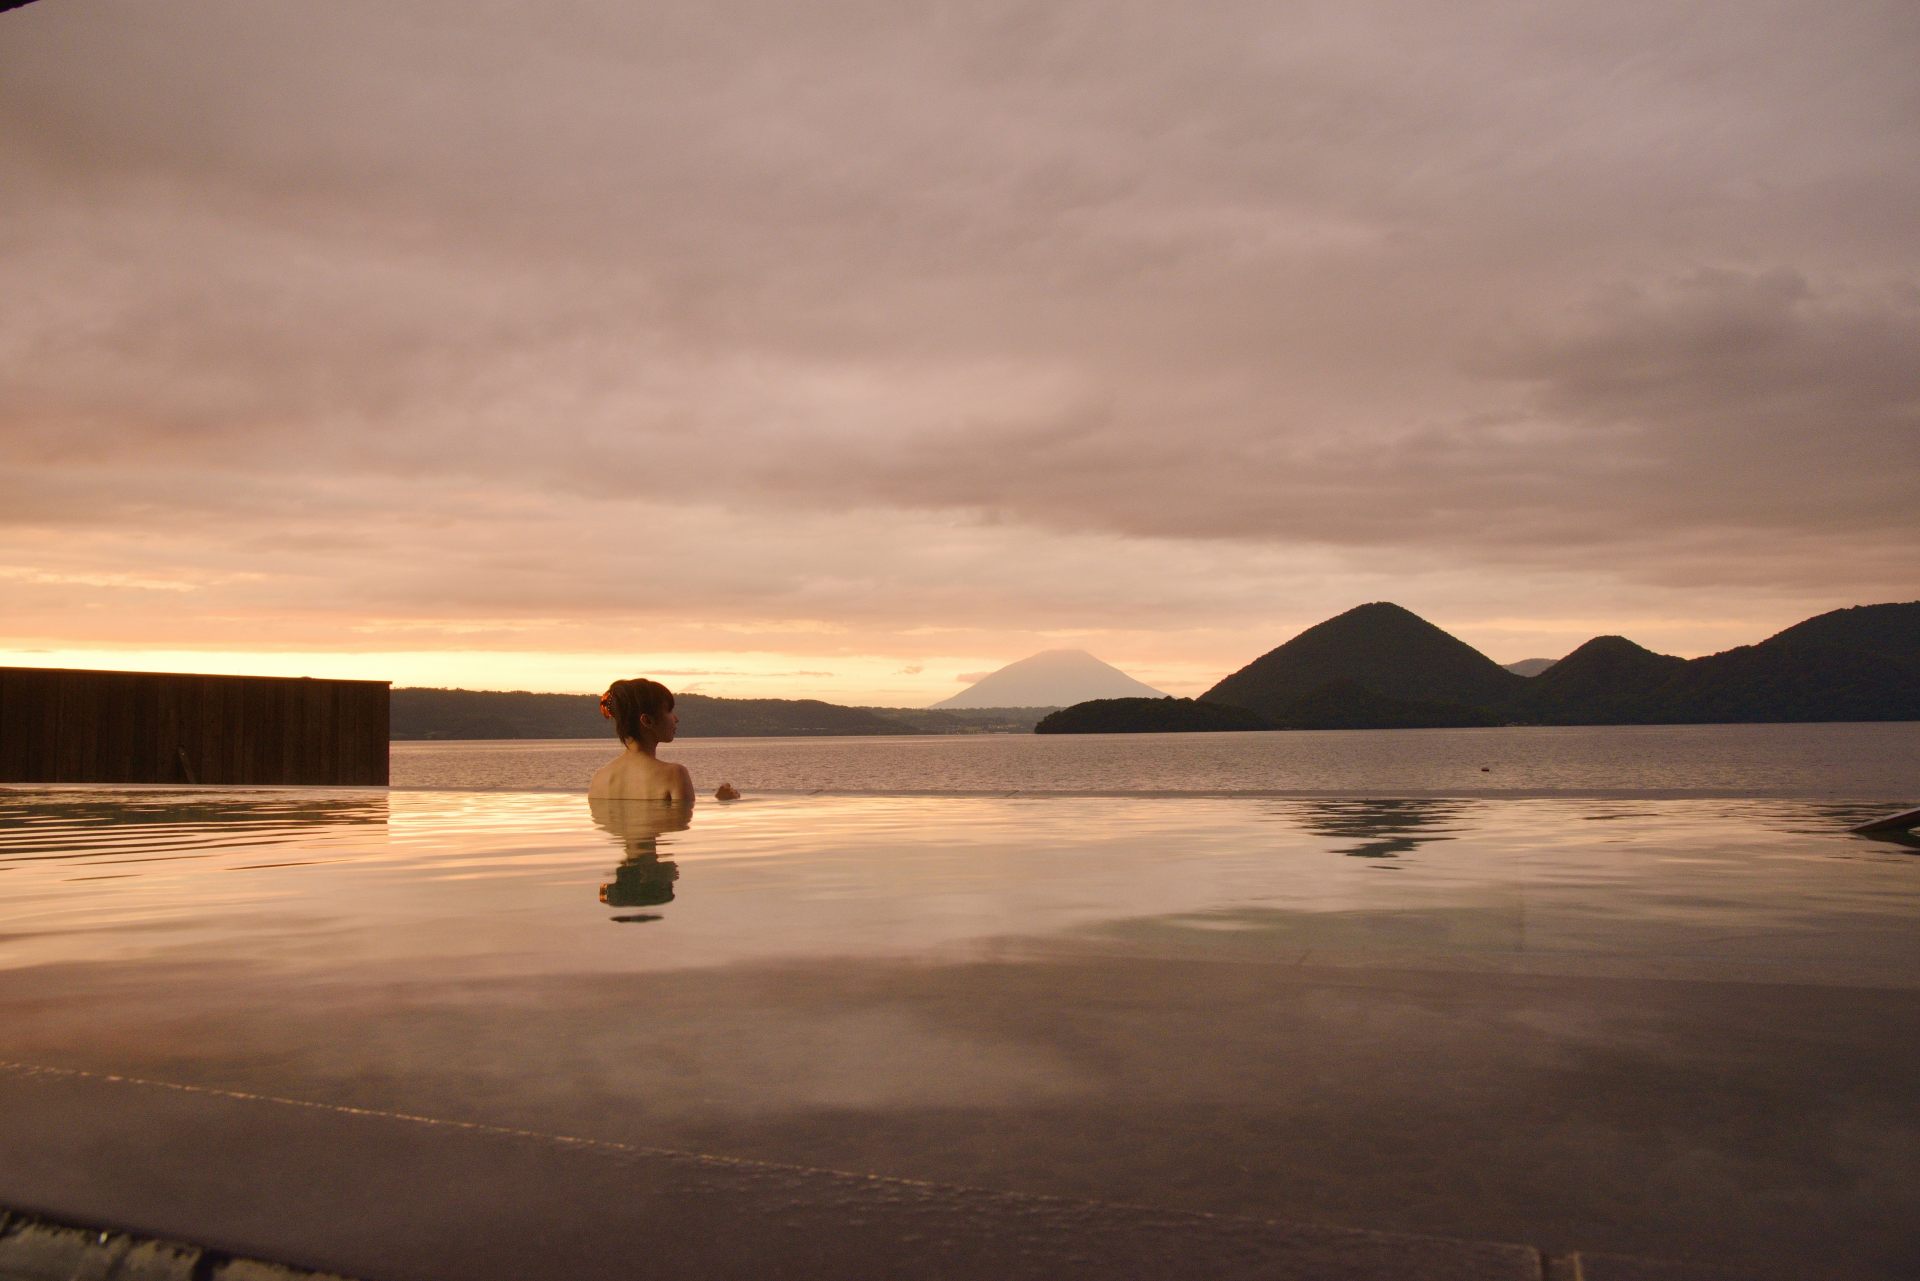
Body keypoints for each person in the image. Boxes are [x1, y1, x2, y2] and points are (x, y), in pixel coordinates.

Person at [587, 677, 738, 802]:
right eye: (669, 711)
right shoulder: (674, 775)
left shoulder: (599, 779)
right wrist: (722, 801)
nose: (676, 719)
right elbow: (680, 825)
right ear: (647, 720)